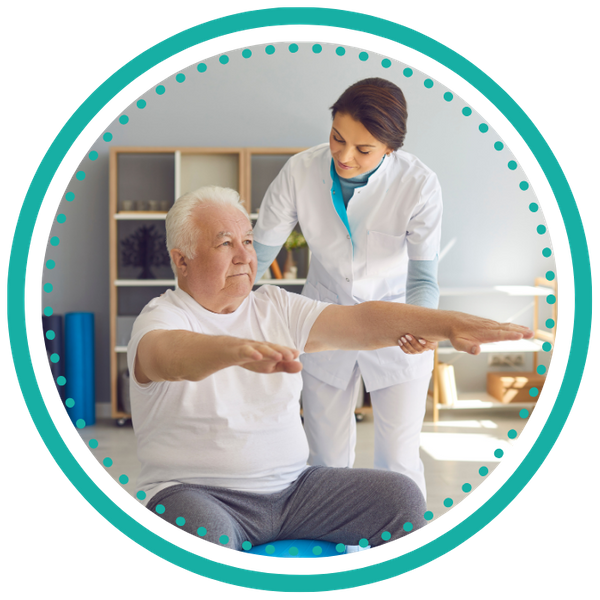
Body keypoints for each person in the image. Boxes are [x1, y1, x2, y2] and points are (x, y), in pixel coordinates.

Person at [127, 186, 533, 554]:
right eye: (225, 243)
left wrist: (446, 325)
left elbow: (361, 322)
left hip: (294, 492)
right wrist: (234, 350)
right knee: (199, 533)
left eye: (248, 241)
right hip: (197, 494)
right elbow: (171, 356)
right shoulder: (159, 318)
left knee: (400, 499)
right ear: (182, 260)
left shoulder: (275, 305)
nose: (244, 255)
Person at [252, 77, 442, 498]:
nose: (344, 156)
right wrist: (223, 313)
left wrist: (422, 326)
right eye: (337, 138)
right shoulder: (300, 171)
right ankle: (335, 554)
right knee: (326, 458)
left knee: (399, 462)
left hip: (396, 324)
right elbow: (257, 257)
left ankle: (400, 549)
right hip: (325, 316)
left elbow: (423, 278)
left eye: (363, 149)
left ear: (391, 149)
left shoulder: (419, 184)